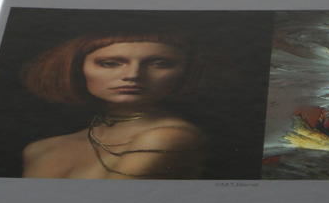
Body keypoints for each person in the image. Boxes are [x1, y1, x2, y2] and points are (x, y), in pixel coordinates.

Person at [20, 32, 206, 179]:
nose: (133, 75)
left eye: (159, 63)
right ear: (78, 68)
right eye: (110, 63)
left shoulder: (169, 137)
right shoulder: (41, 148)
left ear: (185, 71)